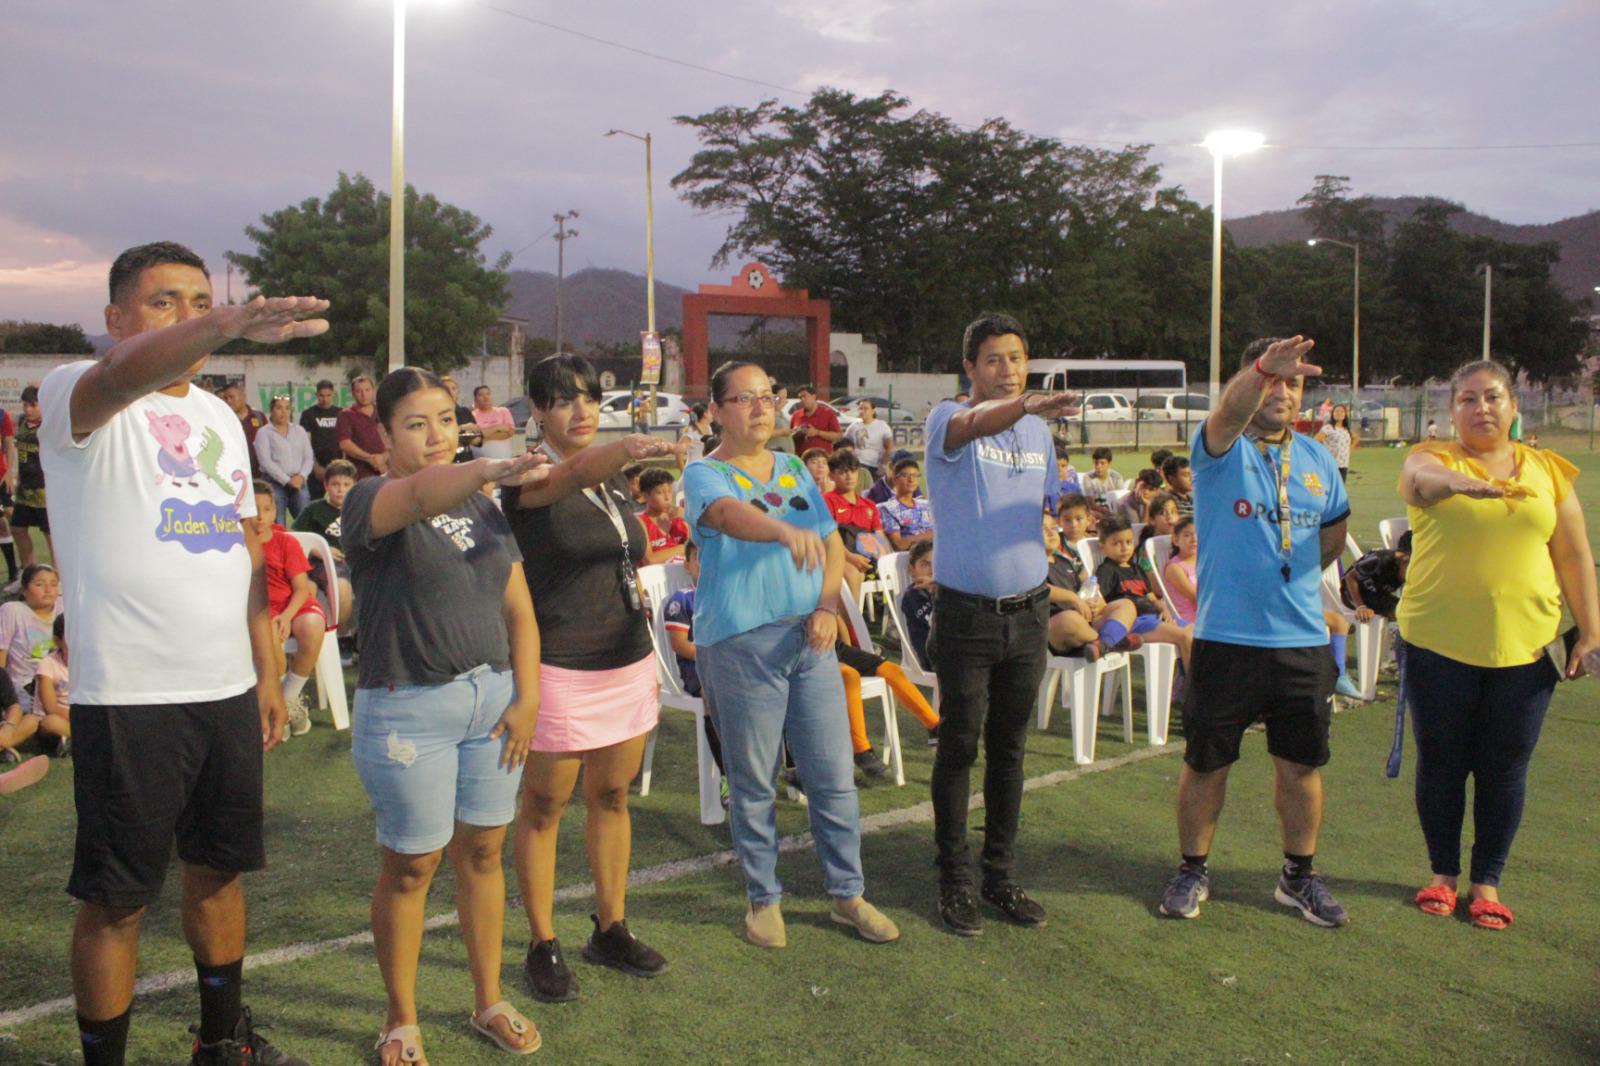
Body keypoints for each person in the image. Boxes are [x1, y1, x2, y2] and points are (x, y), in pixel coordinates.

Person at [41, 241, 325, 1066]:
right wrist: (227, 320)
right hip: (129, 696)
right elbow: (125, 376)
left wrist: (268, 671)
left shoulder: (215, 418)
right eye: (166, 301)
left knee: (218, 873)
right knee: (116, 901)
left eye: (199, 300)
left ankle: (222, 1039)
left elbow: (243, 548)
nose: (188, 316)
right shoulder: (78, 396)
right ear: (115, 319)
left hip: (227, 688)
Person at [342, 367, 545, 1062]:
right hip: (408, 710)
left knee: (484, 853)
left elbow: (518, 609)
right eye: (415, 423)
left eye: (445, 419)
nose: (435, 436)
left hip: (491, 705)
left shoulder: (483, 506)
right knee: (412, 865)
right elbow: (426, 491)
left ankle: (488, 999)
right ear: (385, 433)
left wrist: (528, 698)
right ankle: (401, 1019)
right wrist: (488, 466)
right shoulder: (371, 498)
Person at [685, 359, 899, 950]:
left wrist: (829, 604)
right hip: (741, 643)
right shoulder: (705, 474)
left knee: (833, 777)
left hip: (812, 638)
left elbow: (831, 544)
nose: (760, 406)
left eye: (766, 395)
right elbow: (728, 517)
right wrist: (782, 532)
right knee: (756, 781)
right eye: (744, 398)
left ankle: (847, 894)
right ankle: (763, 902)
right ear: (718, 410)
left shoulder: (794, 470)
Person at [1157, 335, 1352, 929]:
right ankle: (1193, 869)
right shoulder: (1220, 447)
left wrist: (1287, 578)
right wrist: (1263, 368)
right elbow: (1225, 412)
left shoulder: (1317, 458)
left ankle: (1298, 877)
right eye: (1272, 380)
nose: (1283, 391)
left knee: (1300, 766)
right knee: (1207, 762)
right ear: (1250, 382)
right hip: (1225, 641)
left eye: (1293, 383)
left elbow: (1335, 529)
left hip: (1299, 641)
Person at [1397, 358, 1598, 931]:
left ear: (1513, 406)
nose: (1481, 408)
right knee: (1441, 762)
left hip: (1528, 648)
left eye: (1492, 397)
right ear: (1451, 410)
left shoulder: (1547, 470)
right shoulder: (1432, 457)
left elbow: (1573, 554)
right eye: (1467, 398)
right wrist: (1456, 482)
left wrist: (1591, 630)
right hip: (1437, 641)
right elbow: (1420, 482)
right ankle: (1442, 875)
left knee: (1505, 767)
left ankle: (1487, 882)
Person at [504, 353, 675, 1002]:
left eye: (587, 399)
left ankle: (610, 927)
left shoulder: (609, 484)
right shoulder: (528, 476)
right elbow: (569, 473)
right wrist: (627, 447)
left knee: (612, 798)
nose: (580, 411)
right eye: (563, 400)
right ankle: (542, 942)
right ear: (537, 411)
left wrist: (648, 658)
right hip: (560, 664)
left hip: (624, 657)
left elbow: (630, 555)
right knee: (544, 807)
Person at [924, 311, 1077, 937]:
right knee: (960, 747)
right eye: (993, 359)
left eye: (1016, 357)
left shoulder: (1038, 433)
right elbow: (972, 424)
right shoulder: (946, 418)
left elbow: (1037, 514)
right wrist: (1026, 406)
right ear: (970, 368)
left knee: (1010, 753)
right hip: (966, 616)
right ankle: (954, 881)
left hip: (1028, 613)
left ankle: (1000, 875)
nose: (1007, 369)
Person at [246, 481, 324, 737]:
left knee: (313, 625)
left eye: (267, 509)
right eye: (253, 508)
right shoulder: (235, 542)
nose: (260, 516)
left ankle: (288, 698)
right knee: (267, 630)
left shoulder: (285, 542)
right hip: (256, 611)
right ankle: (275, 706)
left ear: (274, 510)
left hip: (291, 605)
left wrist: (288, 616)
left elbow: (302, 588)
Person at [1095, 514, 1192, 670]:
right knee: (1185, 636)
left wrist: (1164, 609)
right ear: (1103, 546)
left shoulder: (1136, 568)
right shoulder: (1107, 570)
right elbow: (1103, 603)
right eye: (1117, 543)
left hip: (1154, 617)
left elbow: (1151, 597)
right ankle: (1192, 690)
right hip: (1136, 623)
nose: (1124, 547)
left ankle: (1184, 683)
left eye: (1128, 542)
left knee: (1198, 633)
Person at [1044, 505, 1139, 661]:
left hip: (1085, 622)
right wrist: (1073, 598)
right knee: (1069, 619)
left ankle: (1102, 644)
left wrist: (1096, 602)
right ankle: (1112, 642)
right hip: (1057, 628)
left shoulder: (1066, 562)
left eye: (1053, 528)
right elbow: (1041, 589)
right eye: (1043, 529)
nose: (1051, 533)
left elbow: (1087, 585)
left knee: (1126, 605)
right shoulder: (1032, 566)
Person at [291, 458, 356, 630]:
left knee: (345, 586)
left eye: (346, 484)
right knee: (326, 588)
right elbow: (293, 537)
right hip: (321, 564)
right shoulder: (314, 509)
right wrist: (318, 550)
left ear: (354, 486)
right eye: (335, 484)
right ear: (326, 485)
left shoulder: (359, 509)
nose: (341, 490)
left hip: (352, 563)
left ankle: (350, 636)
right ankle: (334, 636)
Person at [0, 563, 63, 722]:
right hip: (24, 684)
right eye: (40, 584)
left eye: (54, 584)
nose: (48, 589)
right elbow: (2, 654)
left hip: (59, 682)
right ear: (24, 590)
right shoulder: (12, 611)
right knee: (32, 719)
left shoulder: (64, 609)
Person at [823, 449, 885, 602]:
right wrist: (851, 558)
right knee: (853, 574)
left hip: (865, 558)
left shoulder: (869, 505)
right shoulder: (827, 501)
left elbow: (879, 537)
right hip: (834, 556)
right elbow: (828, 537)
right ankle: (853, 624)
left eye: (853, 471)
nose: (849, 476)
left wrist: (881, 561)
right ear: (831, 475)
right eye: (843, 472)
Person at [10, 385, 52, 579]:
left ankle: (58, 579)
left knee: (50, 535)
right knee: (17, 529)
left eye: (33, 405)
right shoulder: (20, 422)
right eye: (25, 405)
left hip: (45, 491)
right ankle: (28, 576)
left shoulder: (50, 425)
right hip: (25, 490)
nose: (28, 409)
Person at [254, 394, 314, 519]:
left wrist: (302, 476)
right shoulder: (263, 432)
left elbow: (308, 456)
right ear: (272, 410)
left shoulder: (299, 431)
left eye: (287, 408)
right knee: (278, 521)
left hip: (299, 481)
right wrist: (287, 480)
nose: (283, 412)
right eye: (279, 408)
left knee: (305, 522)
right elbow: (265, 461)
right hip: (274, 483)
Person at [297, 378, 344, 495]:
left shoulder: (341, 413)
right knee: (315, 502)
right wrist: (315, 466)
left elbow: (345, 441)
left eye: (328, 395)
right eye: (321, 395)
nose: (325, 399)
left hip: (337, 464)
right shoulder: (308, 414)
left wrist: (342, 465)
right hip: (316, 467)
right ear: (316, 395)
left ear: (333, 394)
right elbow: (305, 443)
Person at [878, 457, 934, 552]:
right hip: (910, 557)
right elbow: (899, 544)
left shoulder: (926, 505)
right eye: (905, 475)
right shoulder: (888, 509)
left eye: (915, 475)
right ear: (895, 479)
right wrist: (929, 535)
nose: (911, 479)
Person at [337, 375, 388, 479]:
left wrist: (383, 457)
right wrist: (369, 459)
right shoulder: (346, 414)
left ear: (373, 391)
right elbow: (345, 444)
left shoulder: (384, 412)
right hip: (358, 475)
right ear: (352, 393)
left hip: (386, 472)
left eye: (367, 390)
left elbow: (397, 440)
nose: (364, 395)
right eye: (359, 391)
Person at [637, 467, 691, 563]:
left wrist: (689, 519)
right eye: (660, 492)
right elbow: (650, 560)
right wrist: (684, 548)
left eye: (669, 491)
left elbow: (698, 548)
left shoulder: (681, 517)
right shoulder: (641, 522)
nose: (667, 497)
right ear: (645, 496)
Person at [34, 613, 72, 748]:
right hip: (59, 719)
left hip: (84, 717)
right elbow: (50, 707)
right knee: (50, 722)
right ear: (57, 641)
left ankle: (71, 740)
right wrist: (82, 718)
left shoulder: (92, 663)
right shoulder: (47, 665)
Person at [217, 382, 266, 480]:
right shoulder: (223, 419)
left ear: (243, 396)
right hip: (235, 475)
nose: (228, 401)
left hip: (260, 474)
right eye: (226, 398)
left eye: (231, 397)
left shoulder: (258, 416)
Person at [899, 540, 935, 671]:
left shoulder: (945, 590)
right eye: (925, 565)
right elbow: (932, 624)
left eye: (936, 563)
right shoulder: (913, 597)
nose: (932, 570)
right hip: (933, 658)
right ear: (912, 570)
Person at [845, 398, 894, 479]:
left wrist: (884, 466)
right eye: (861, 408)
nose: (862, 411)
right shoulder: (853, 427)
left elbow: (889, 447)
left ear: (873, 410)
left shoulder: (882, 425)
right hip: (858, 464)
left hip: (875, 465)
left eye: (866, 408)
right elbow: (844, 444)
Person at [787, 384, 843, 454]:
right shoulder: (796, 415)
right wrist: (797, 433)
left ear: (814, 396)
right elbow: (789, 438)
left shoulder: (828, 413)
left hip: (822, 459)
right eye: (800, 397)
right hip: (800, 460)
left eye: (804, 396)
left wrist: (817, 432)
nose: (802, 399)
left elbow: (838, 436)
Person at [1163, 515, 1199, 624]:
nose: (1194, 540)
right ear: (1176, 540)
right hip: (1189, 620)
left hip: (1206, 615)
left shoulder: (1204, 562)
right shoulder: (1174, 568)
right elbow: (1196, 597)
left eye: (1198, 534)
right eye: (1187, 535)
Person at [439, 374, 483, 463]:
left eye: (454, 388)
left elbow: (479, 437)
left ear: (458, 392)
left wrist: (475, 439)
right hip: (447, 459)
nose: (450, 391)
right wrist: (463, 427)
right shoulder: (436, 413)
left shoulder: (465, 412)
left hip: (466, 458)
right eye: (446, 389)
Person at [471, 385, 517, 457]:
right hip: (480, 461)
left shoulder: (503, 411)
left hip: (503, 459)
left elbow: (510, 432)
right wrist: (497, 427)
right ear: (475, 399)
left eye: (488, 394)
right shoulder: (472, 415)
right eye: (481, 395)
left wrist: (483, 436)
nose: (486, 398)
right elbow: (474, 438)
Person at [1315, 403, 1356, 482]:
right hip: (1331, 464)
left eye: (1342, 411)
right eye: (1336, 411)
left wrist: (1349, 450)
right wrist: (1322, 455)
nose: (1339, 413)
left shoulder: (1346, 429)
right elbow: (1315, 441)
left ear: (1345, 415)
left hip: (1343, 464)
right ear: (1332, 414)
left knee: (1340, 489)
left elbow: (1355, 438)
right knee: (1329, 489)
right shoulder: (1328, 428)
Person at [677, 403, 713, 468]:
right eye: (710, 412)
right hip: (693, 467)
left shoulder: (708, 427)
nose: (712, 414)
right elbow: (678, 451)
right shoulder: (692, 430)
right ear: (705, 414)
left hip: (706, 468)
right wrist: (683, 471)